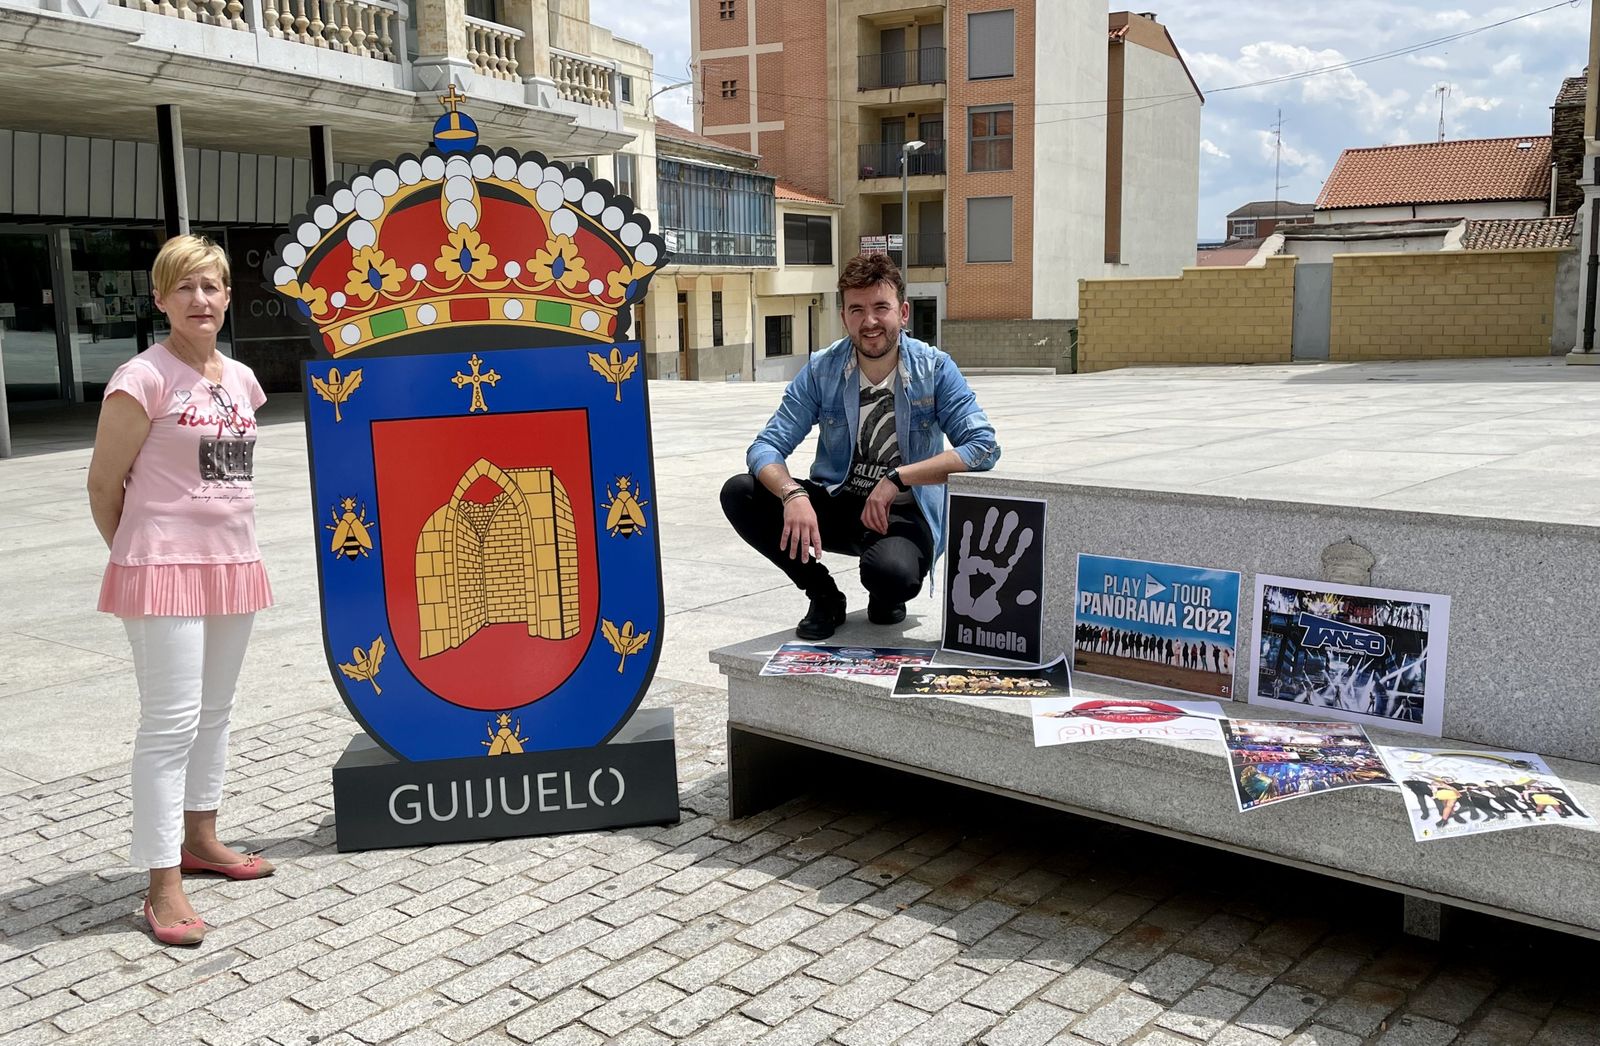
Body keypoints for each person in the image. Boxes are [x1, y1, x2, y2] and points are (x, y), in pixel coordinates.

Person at [86, 235, 275, 947]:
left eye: (213, 286)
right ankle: (161, 883)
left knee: (216, 712)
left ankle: (203, 839)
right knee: (169, 725)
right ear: (160, 299)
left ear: (228, 297)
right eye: (184, 287)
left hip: (233, 561)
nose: (201, 299)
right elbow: (104, 486)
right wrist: (142, 557)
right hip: (163, 569)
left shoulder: (244, 380)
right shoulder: (142, 379)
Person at [720, 253, 999, 639]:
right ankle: (823, 594)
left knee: (891, 576)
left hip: (902, 511)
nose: (869, 322)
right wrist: (792, 494)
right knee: (740, 492)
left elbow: (983, 447)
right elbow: (766, 446)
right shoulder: (823, 369)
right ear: (844, 317)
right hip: (839, 502)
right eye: (857, 309)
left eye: (880, 308)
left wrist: (898, 478)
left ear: (902, 312)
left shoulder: (933, 369)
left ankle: (885, 592)